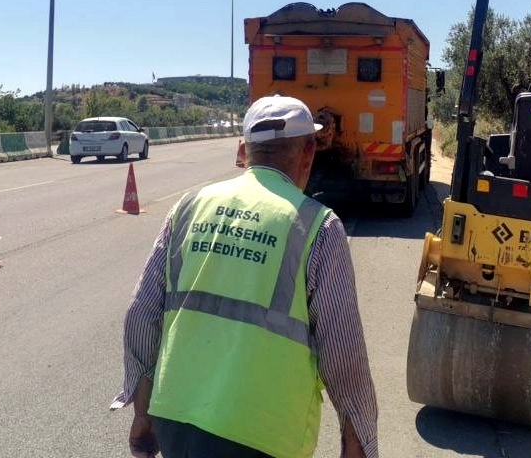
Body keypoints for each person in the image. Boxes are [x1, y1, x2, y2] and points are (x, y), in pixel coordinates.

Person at [111, 95, 379, 458]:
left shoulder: (188, 208)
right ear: (309, 152)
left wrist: (143, 411)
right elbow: (343, 352)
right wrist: (360, 442)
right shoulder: (316, 225)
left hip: (175, 419)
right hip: (263, 436)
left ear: (243, 150)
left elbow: (141, 314)